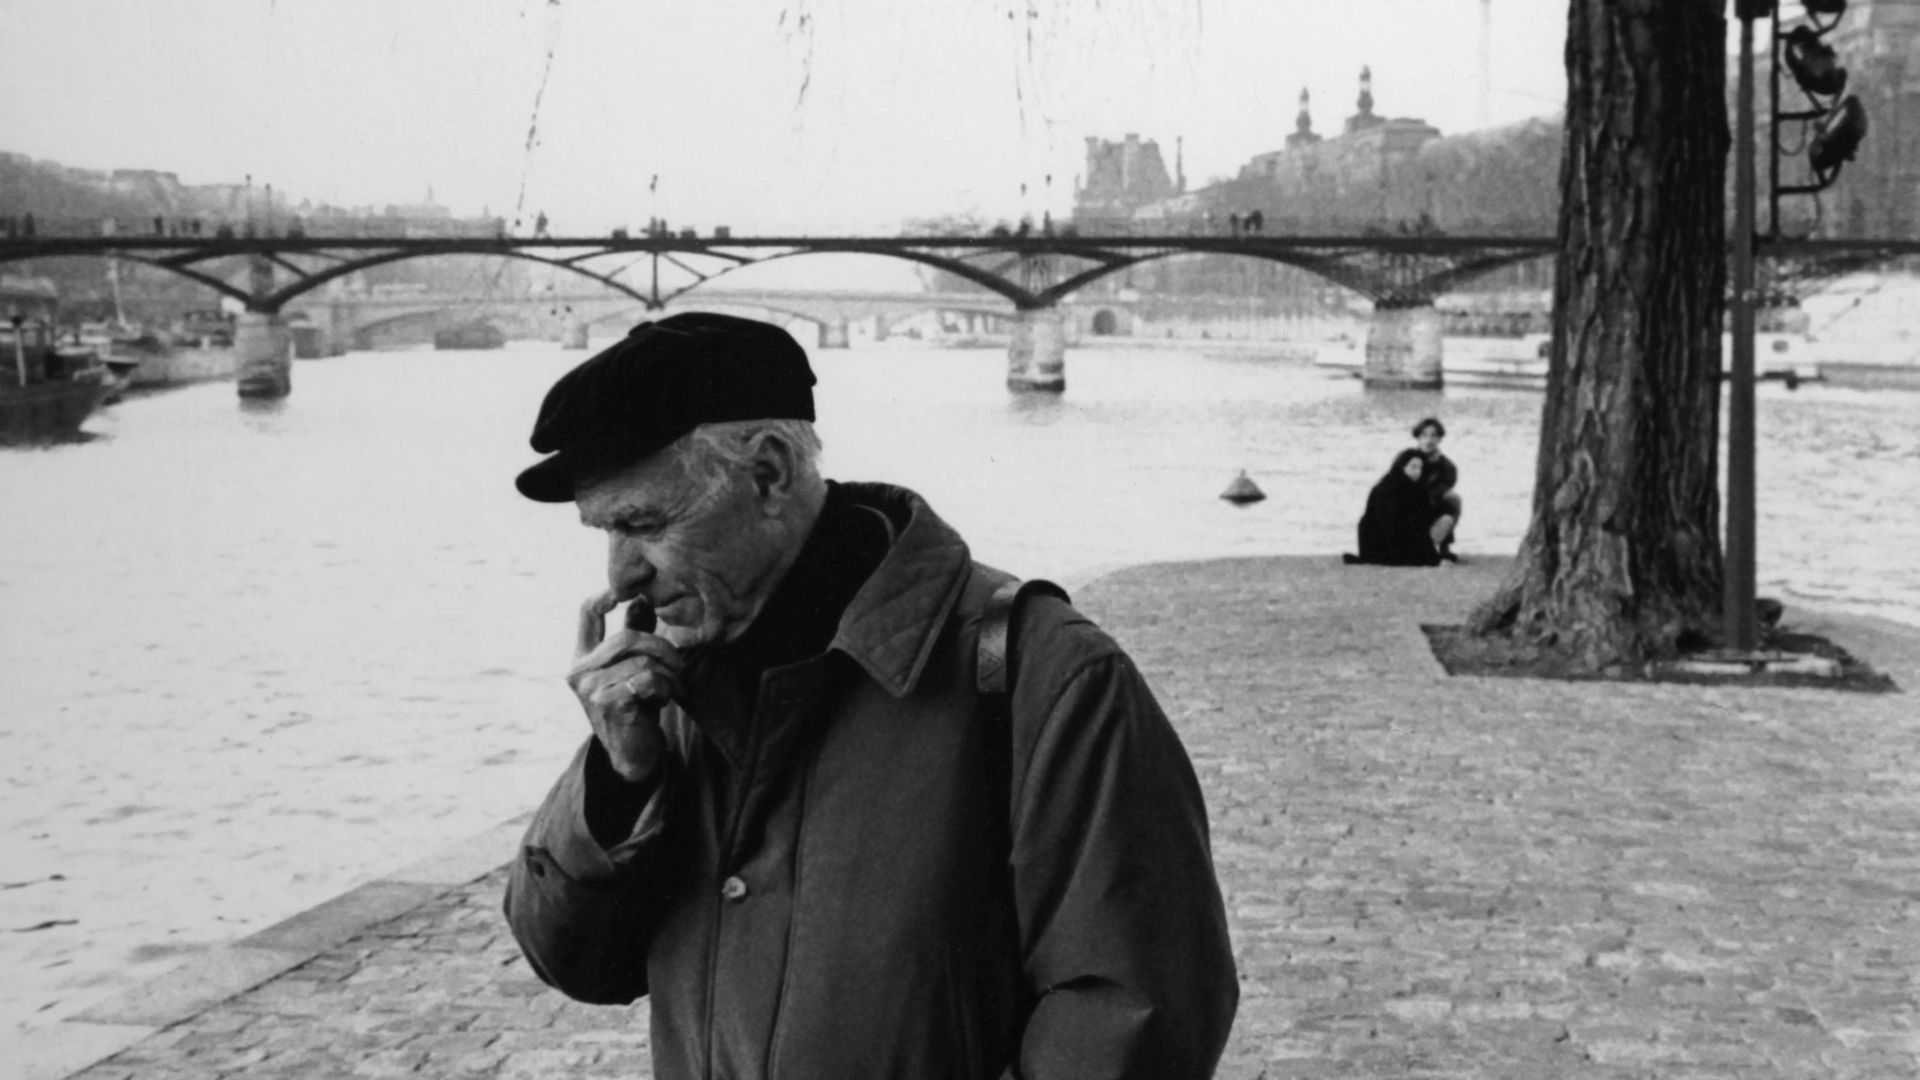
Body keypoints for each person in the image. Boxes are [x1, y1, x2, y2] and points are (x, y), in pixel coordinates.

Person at [502, 313, 1238, 1079]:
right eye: (604, 532)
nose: (621, 575)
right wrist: (621, 785)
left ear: (769, 474)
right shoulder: (672, 688)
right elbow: (577, 965)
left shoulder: (1046, 678)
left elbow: (1134, 1021)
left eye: (643, 524)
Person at [1343, 448, 1443, 567]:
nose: (1418, 471)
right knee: (1445, 517)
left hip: (1373, 551)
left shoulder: (1383, 484)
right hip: (1394, 549)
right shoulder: (1409, 489)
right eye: (1413, 467)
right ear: (1402, 466)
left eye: (1420, 468)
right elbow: (1411, 525)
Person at [1411, 416, 1461, 561]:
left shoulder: (1447, 467)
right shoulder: (1405, 460)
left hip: (1431, 507)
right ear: (1418, 438)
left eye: (1434, 435)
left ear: (1440, 439)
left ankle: (1443, 547)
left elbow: (1441, 494)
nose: (1429, 440)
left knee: (1453, 500)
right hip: (1405, 509)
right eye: (1424, 435)